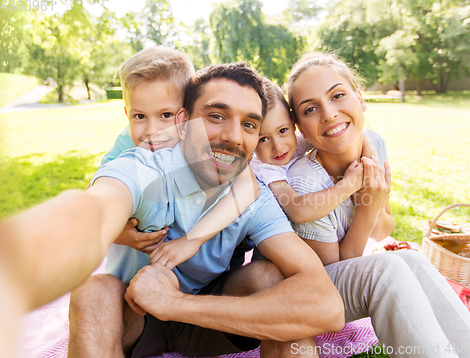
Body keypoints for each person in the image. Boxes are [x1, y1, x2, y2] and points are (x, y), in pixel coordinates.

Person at [64, 62, 344, 358]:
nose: (234, 136)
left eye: (249, 125)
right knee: (93, 291)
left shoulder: (255, 197)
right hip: (133, 314)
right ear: (183, 122)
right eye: (216, 116)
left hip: (210, 320)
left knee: (270, 280)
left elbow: (327, 308)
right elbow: (102, 200)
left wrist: (174, 304)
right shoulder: (145, 168)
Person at [284, 52, 470, 358]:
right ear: (300, 129)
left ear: (360, 99)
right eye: (310, 109)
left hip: (346, 269)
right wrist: (366, 204)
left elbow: (384, 230)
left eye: (338, 96)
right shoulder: (306, 183)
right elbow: (338, 269)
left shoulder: (375, 143)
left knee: (414, 261)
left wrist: (373, 198)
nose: (329, 113)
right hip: (316, 288)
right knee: (386, 269)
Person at [102, 46, 259, 269]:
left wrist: (192, 241)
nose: (151, 130)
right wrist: (118, 233)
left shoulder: (204, 142)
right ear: (127, 114)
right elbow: (102, 187)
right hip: (131, 271)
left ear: (188, 113)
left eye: (166, 115)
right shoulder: (128, 141)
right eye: (139, 116)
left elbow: (249, 187)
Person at [250, 80, 377, 264]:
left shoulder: (298, 141)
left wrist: (370, 164)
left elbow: (357, 134)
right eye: (263, 139)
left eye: (283, 130)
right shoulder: (264, 167)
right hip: (277, 255)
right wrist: (348, 185)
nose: (278, 146)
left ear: (294, 125)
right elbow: (297, 209)